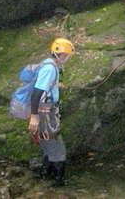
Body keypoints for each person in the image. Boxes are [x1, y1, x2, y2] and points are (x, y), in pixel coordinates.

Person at [28, 37, 75, 187]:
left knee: (48, 147)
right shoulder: (50, 69)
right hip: (45, 113)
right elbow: (36, 93)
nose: (68, 58)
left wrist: (55, 85)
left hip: (44, 110)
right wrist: (34, 117)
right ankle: (59, 185)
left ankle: (44, 179)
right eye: (67, 55)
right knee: (58, 150)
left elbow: (42, 87)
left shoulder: (47, 64)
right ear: (62, 55)